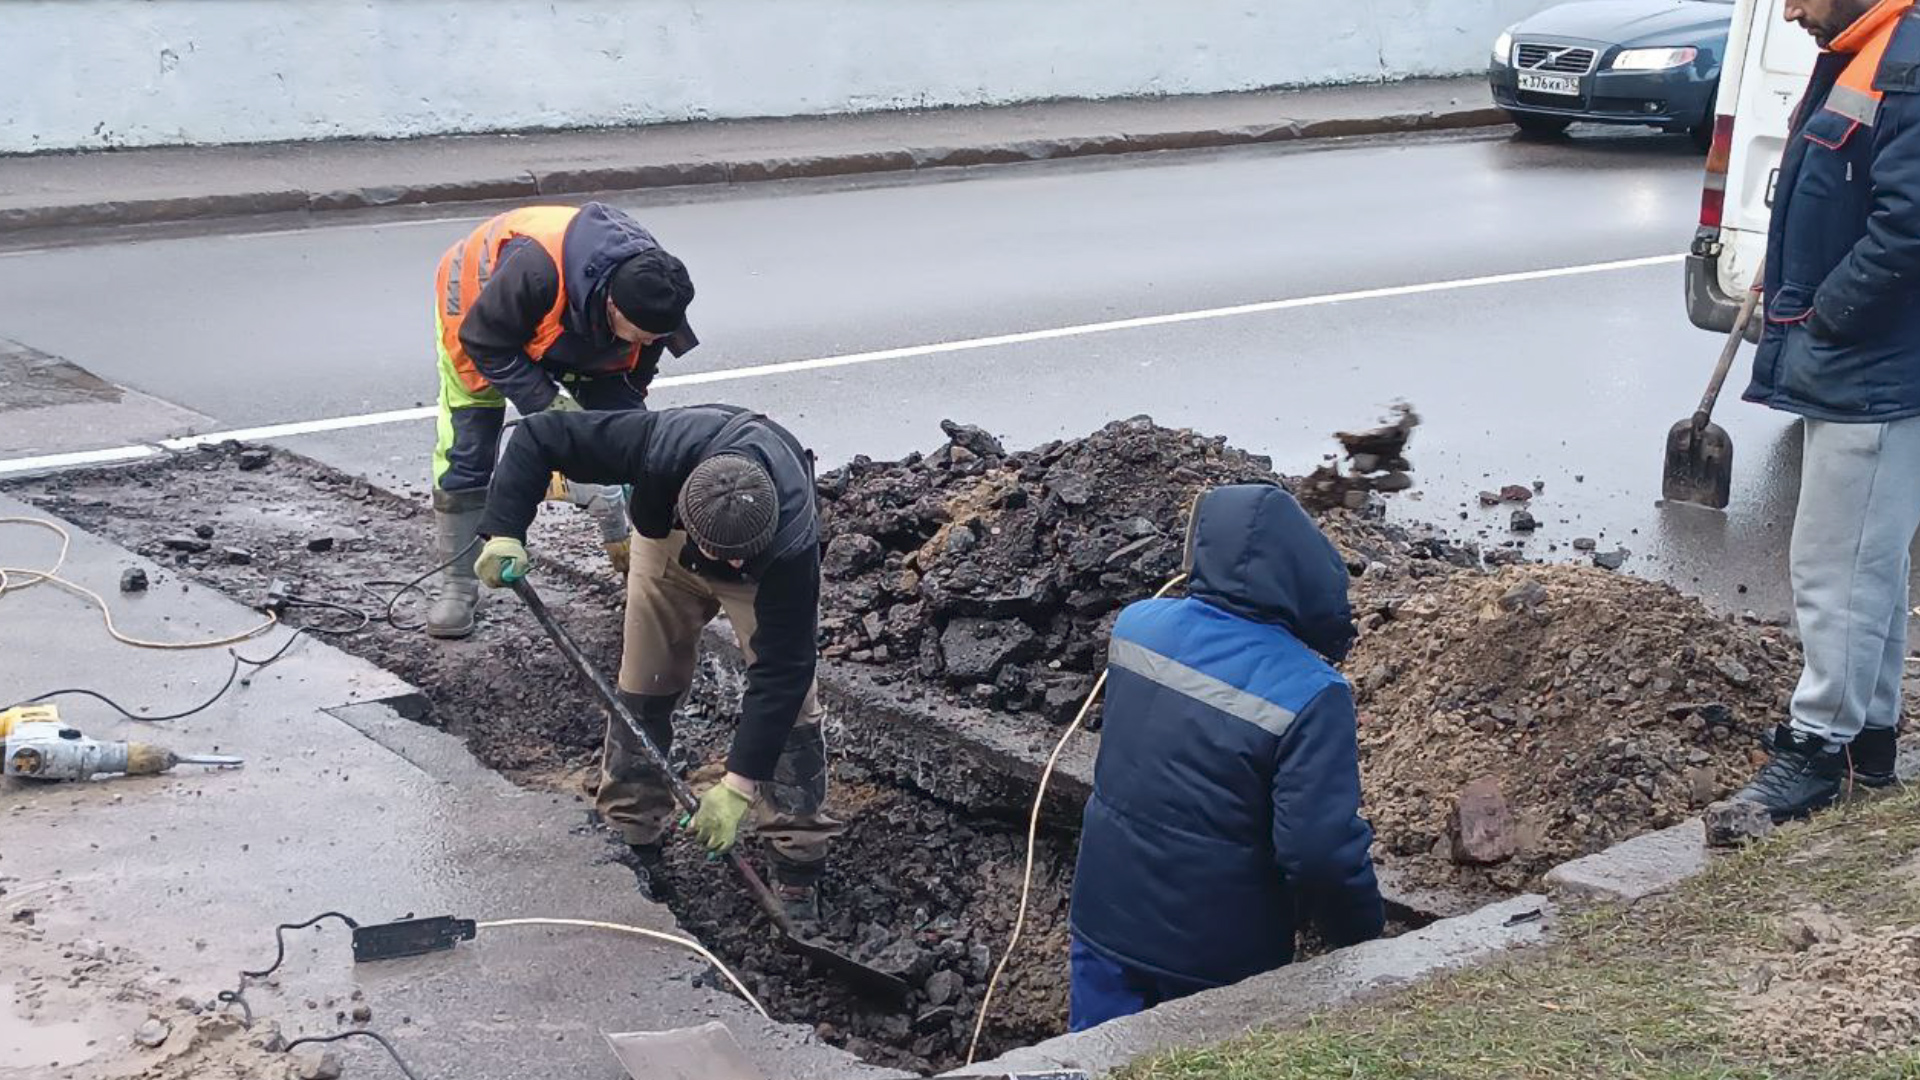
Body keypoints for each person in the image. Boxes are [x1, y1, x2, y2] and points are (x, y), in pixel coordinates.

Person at [471, 404, 838, 920]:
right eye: (721, 553)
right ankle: (632, 833)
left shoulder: (791, 544)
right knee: (645, 682)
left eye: (737, 557)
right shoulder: (654, 446)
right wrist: (505, 528)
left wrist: (737, 785)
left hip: (766, 566)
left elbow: (781, 670)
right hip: (667, 542)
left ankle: (797, 860)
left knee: (794, 709)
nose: (727, 566)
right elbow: (537, 435)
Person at [1067, 484, 1384, 1031]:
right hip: (1215, 957)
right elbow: (1319, 853)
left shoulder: (1135, 627)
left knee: (1095, 1060)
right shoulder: (1313, 692)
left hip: (1105, 920)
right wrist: (1361, 936)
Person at [1734, 0, 1919, 819]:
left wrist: (1826, 314)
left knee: (1833, 565)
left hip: (1870, 364)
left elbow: (1908, 224)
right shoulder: (1865, 49)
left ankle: (1816, 753)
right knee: (1867, 561)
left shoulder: (1905, 61)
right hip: (1862, 358)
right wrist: (1789, 273)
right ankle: (1870, 743)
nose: (1789, 9)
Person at [426, 202, 697, 639]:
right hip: (479, 316)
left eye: (657, 336)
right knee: (469, 446)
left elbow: (635, 379)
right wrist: (552, 411)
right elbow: (484, 342)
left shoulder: (655, 292)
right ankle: (457, 587)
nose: (652, 342)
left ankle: (652, 573)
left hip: (577, 328)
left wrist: (608, 446)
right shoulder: (534, 270)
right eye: (645, 334)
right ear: (613, 306)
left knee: (633, 440)